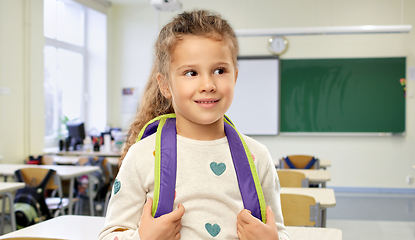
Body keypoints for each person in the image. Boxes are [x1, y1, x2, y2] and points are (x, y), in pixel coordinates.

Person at [99, 10, 290, 240]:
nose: (208, 84)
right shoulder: (141, 157)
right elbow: (110, 235)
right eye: (191, 73)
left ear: (235, 77)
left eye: (220, 70)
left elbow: (279, 231)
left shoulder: (257, 157)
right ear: (165, 85)